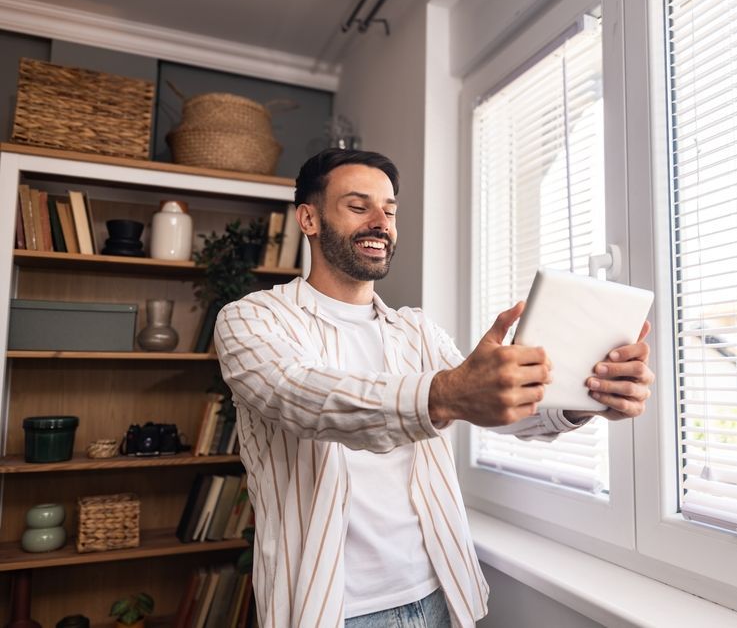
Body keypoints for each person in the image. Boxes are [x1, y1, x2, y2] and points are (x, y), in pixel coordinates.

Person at [214, 148, 654, 628]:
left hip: (439, 595)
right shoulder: (251, 319)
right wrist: (445, 394)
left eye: (391, 209)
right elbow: (303, 397)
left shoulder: (417, 330)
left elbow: (492, 405)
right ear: (309, 218)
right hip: (333, 609)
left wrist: (587, 396)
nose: (381, 222)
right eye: (359, 207)